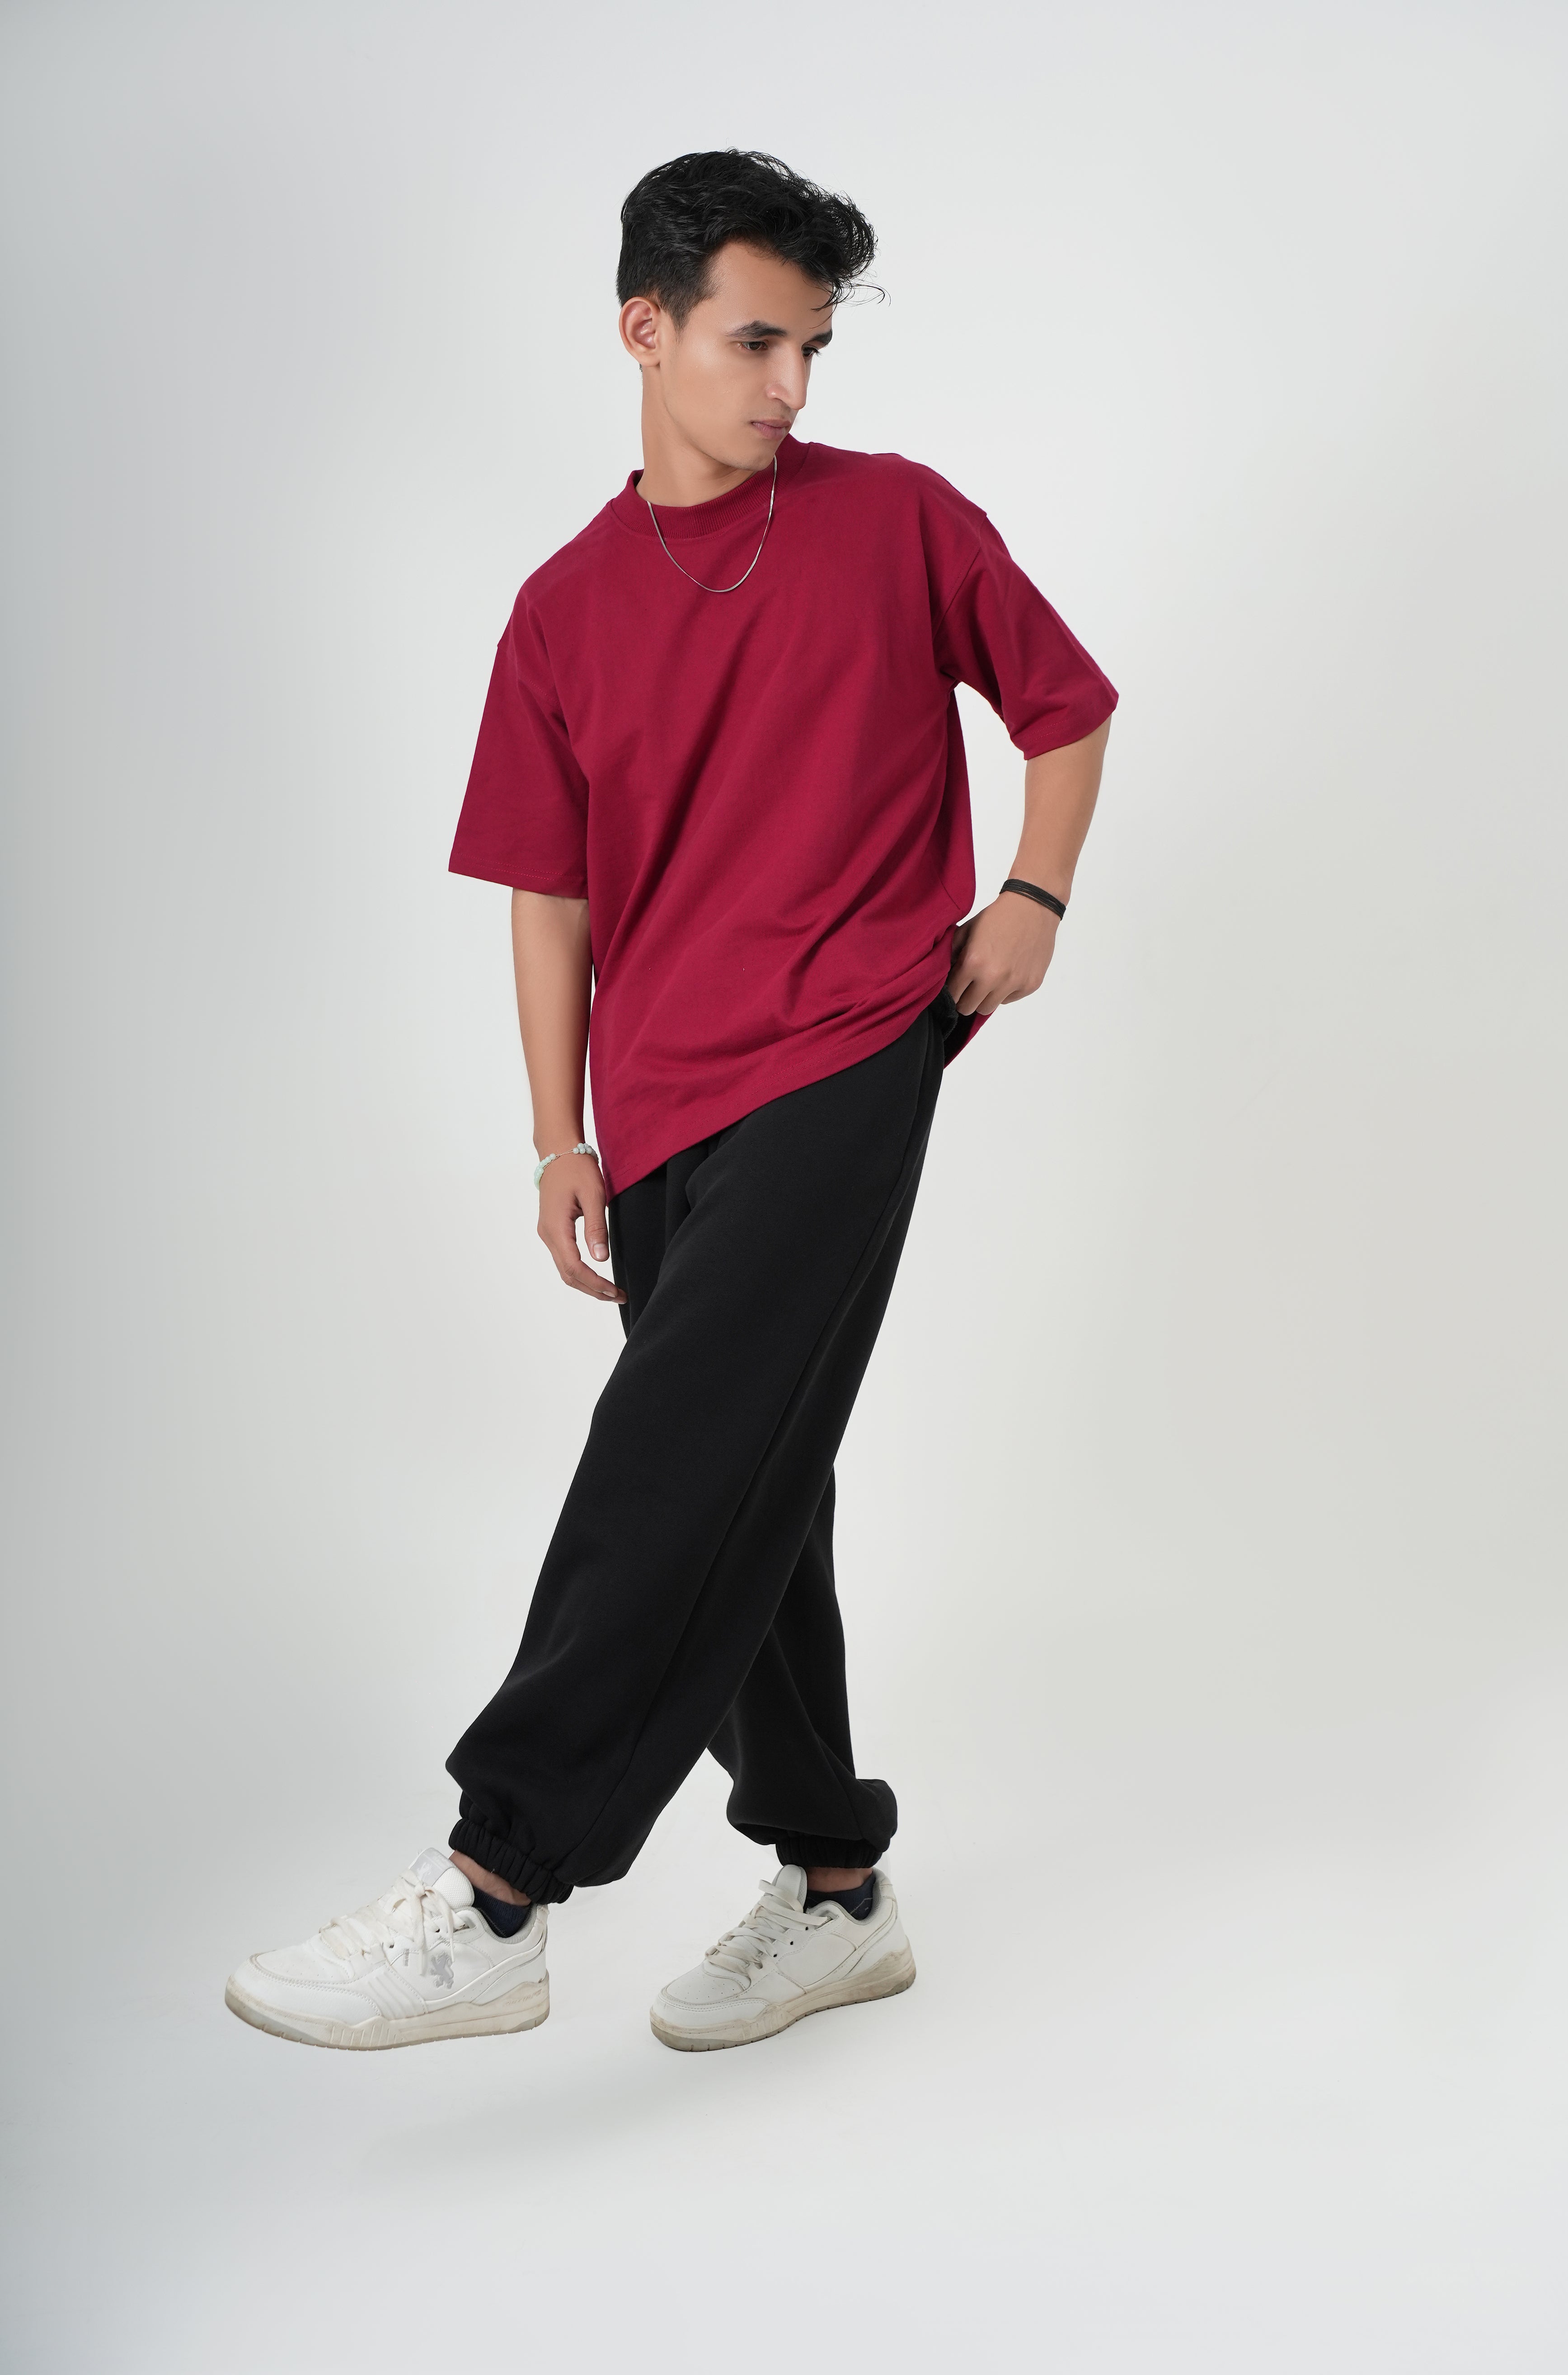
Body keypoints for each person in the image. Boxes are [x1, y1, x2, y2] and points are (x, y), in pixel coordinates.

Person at [225, 148, 1115, 2055]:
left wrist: (1032, 896)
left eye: (811, 349)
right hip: (655, 1103)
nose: (789, 385)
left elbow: (1066, 704)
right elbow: (549, 896)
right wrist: (560, 1134)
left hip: (853, 1042)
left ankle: (500, 1884)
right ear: (646, 329)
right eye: (753, 342)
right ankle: (838, 1884)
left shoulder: (897, 520)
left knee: (674, 1453)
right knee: (749, 1476)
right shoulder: (560, 609)